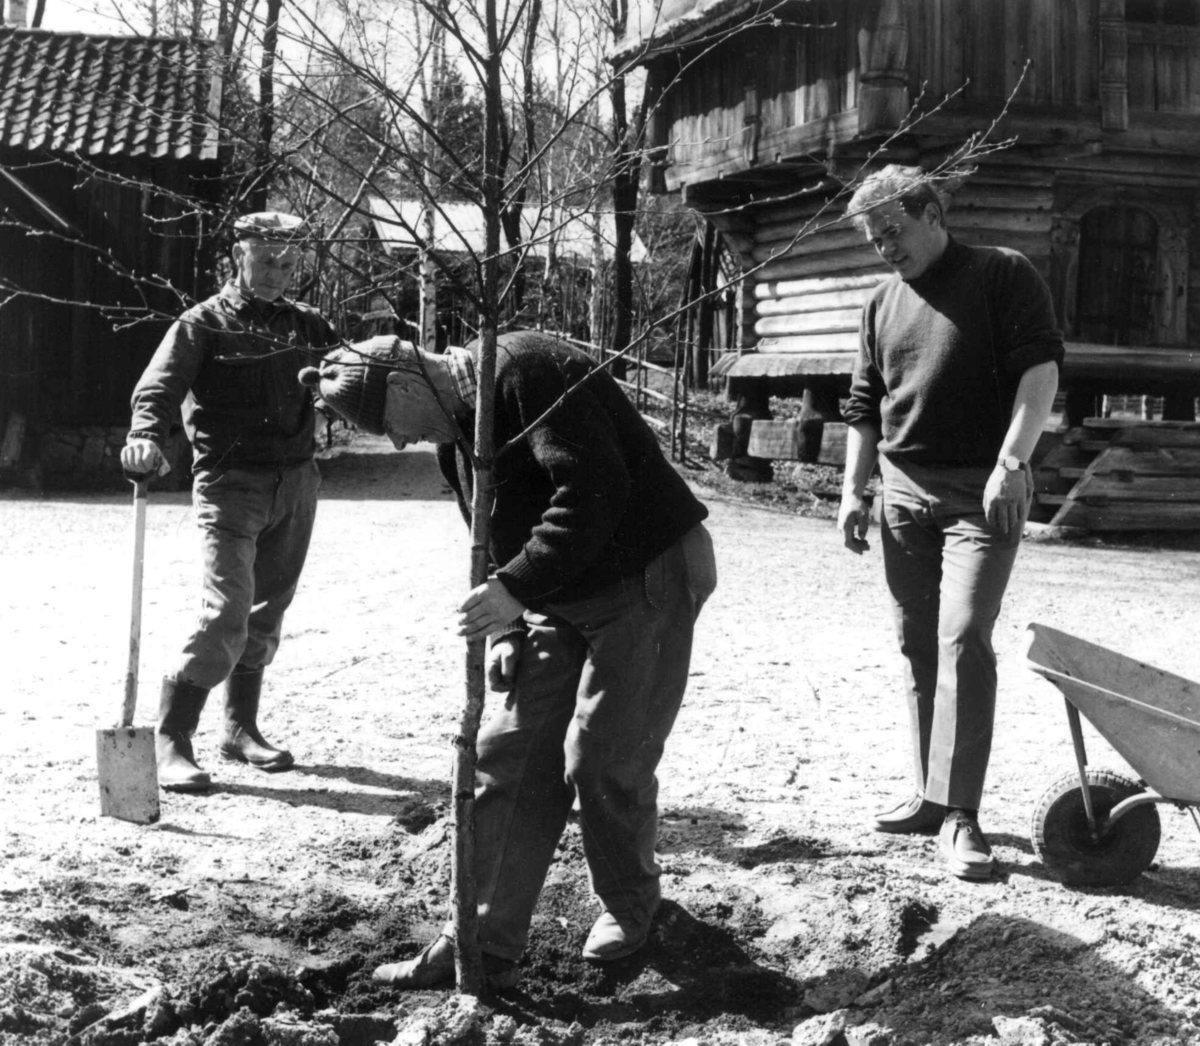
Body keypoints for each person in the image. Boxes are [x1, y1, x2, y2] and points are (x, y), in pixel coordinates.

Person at [304, 330, 716, 989]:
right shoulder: (458, 439)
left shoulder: (528, 373)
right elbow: (493, 538)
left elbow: (594, 491)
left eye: (388, 423)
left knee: (602, 756)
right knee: (511, 754)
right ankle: (482, 940)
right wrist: (508, 629)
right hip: (564, 593)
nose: (398, 442)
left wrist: (514, 590)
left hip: (645, 572)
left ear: (410, 386)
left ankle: (632, 908)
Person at [837, 166, 1063, 881]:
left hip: (983, 495)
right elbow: (864, 407)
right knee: (916, 644)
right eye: (874, 240)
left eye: (893, 232)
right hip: (904, 494)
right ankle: (931, 796)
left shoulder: (1003, 275)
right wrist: (853, 491)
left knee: (963, 636)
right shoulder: (880, 302)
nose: (885, 249)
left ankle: (962, 813)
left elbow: (1041, 373)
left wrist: (1012, 462)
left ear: (933, 213)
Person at [121, 211, 341, 793]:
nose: (276, 273)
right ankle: (172, 738)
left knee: (268, 610)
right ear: (237, 258)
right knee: (226, 610)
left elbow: (348, 376)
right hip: (230, 482)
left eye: (288, 263)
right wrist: (145, 435)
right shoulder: (203, 324)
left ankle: (240, 728)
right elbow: (159, 386)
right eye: (265, 261)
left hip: (296, 481)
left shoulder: (308, 325)